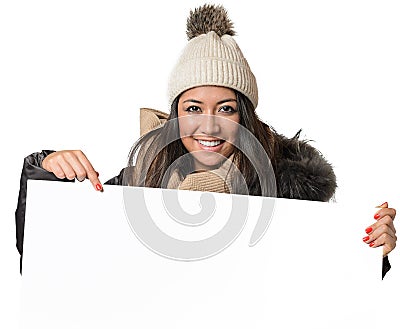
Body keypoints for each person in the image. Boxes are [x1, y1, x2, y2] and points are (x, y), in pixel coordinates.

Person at [15, 4, 396, 277]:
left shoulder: (290, 190)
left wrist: (371, 253)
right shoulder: (137, 182)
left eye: (226, 109)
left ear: (244, 117)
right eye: (194, 108)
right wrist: (47, 169)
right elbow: (48, 258)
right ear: (176, 115)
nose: (209, 127)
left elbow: (330, 297)